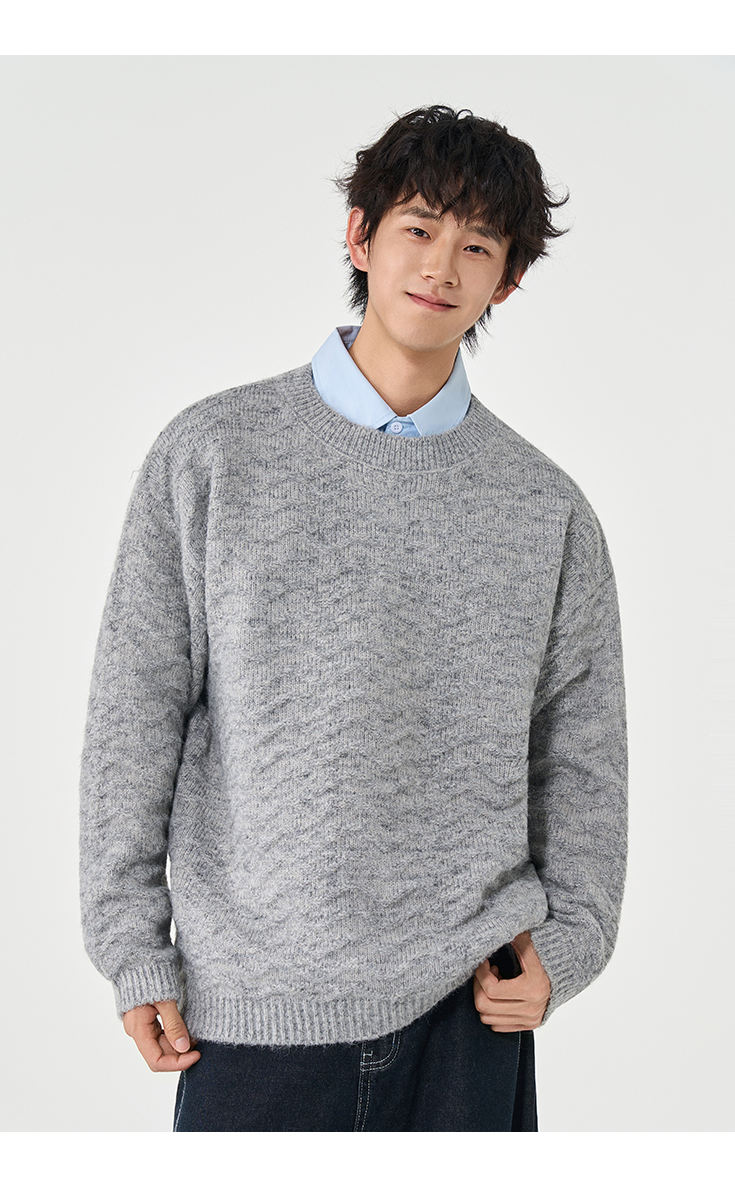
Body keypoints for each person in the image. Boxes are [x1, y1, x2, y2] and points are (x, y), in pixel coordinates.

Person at [79, 105, 627, 1132]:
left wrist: (570, 942)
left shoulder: (546, 510)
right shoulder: (212, 456)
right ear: (360, 235)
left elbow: (581, 756)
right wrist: (131, 944)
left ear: (507, 280)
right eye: (419, 227)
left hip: (468, 1016)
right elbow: (134, 714)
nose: (441, 266)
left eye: (478, 245)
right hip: (251, 1009)